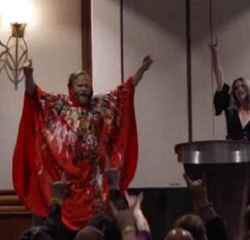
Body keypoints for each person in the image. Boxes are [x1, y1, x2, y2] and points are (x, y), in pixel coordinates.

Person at [13, 56, 153, 232]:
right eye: (80, 86)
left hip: (95, 190)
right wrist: (28, 76)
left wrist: (142, 69)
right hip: (68, 190)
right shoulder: (59, 105)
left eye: (87, 86)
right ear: (71, 88)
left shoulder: (100, 105)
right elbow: (35, 95)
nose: (84, 90)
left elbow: (125, 91)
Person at [208, 44, 250, 203]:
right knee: (235, 201)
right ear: (233, 93)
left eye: (242, 86)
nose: (239, 89)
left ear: (248, 89)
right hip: (234, 163)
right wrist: (215, 54)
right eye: (236, 87)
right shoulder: (230, 111)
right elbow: (220, 81)